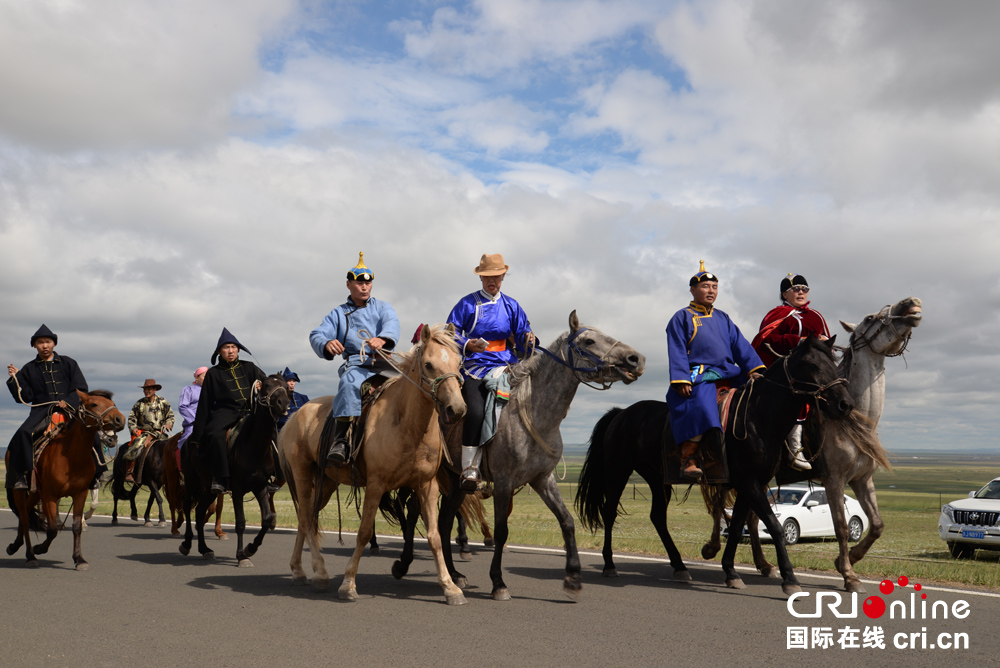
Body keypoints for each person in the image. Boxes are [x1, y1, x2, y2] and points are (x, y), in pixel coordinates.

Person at [666, 261, 765, 480]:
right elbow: (677, 349)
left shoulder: (723, 318)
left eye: (714, 287)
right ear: (692, 290)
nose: (711, 291)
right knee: (701, 403)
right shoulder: (681, 317)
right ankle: (688, 458)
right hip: (699, 374)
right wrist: (681, 378)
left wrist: (753, 370)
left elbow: (741, 345)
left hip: (729, 372)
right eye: (705, 286)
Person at [446, 253, 534, 491]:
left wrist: (528, 338)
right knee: (474, 411)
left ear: (503, 276)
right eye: (486, 277)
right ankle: (469, 468)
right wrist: (467, 344)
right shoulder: (467, 304)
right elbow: (449, 333)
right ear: (481, 278)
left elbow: (524, 337)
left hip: (507, 365)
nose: (491, 281)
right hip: (475, 366)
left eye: (496, 276)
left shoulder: (511, 305)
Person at [309, 252, 400, 467]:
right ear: (349, 284)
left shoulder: (383, 307)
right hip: (357, 364)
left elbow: (392, 323)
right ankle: (341, 440)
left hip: (385, 362)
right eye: (359, 283)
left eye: (368, 283)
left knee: (412, 383)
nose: (365, 287)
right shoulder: (338, 313)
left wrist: (383, 338)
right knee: (349, 384)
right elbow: (317, 334)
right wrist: (326, 343)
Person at [750, 273, 831, 470]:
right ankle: (795, 448)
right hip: (787, 369)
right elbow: (766, 339)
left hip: (815, 368)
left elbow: (827, 342)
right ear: (785, 294)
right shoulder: (777, 314)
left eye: (804, 289)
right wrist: (798, 341)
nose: (801, 292)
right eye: (796, 289)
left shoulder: (816, 315)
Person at [5, 324, 89, 490]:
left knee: (92, 432)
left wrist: (69, 401)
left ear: (54, 344)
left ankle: (96, 473)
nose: (45, 345)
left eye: (48, 341)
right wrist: (15, 379)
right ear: (35, 346)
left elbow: (81, 389)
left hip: (70, 409)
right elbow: (25, 397)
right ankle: (21, 475)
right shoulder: (28, 369)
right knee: (22, 434)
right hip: (41, 412)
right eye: (40, 342)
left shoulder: (69, 363)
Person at [189, 329, 265, 494]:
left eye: (233, 347)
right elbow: (205, 403)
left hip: (251, 411)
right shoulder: (213, 374)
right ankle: (221, 478)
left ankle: (275, 473)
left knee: (270, 431)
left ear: (238, 349)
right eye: (226, 348)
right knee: (215, 434)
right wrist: (197, 435)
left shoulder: (250, 367)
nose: (230, 351)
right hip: (225, 412)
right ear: (219, 352)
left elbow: (268, 384)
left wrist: (261, 385)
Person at [123, 379, 175, 482]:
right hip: (144, 433)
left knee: (171, 448)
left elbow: (170, 415)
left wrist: (169, 423)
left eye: (149, 389)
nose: (147, 391)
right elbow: (132, 418)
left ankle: (176, 472)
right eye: (145, 389)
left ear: (155, 390)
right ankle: (130, 471)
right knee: (136, 446)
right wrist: (133, 428)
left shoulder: (163, 402)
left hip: (160, 433)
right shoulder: (139, 403)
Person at [175, 366, 207, 474]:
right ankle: (183, 466)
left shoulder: (213, 390)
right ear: (197, 378)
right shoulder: (188, 389)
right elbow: (183, 406)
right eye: (204, 376)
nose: (206, 378)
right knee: (187, 438)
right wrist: (197, 420)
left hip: (211, 422)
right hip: (193, 423)